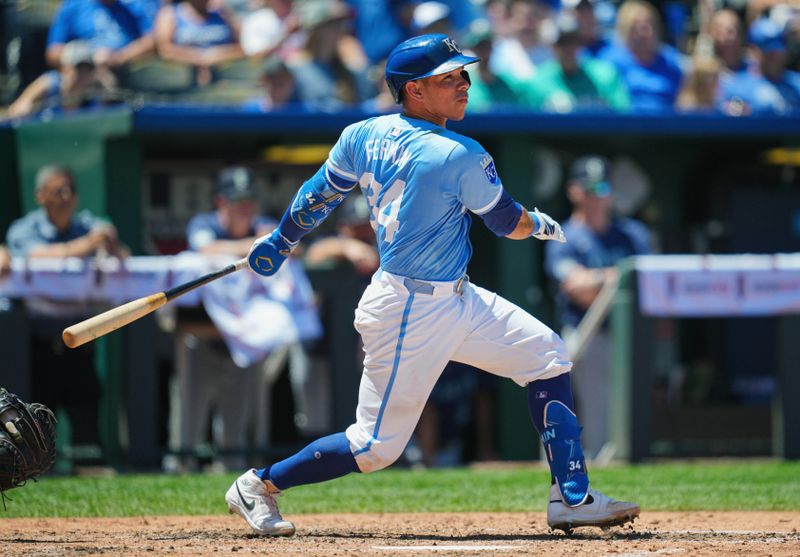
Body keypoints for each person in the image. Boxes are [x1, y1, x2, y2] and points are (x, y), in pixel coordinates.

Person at [225, 33, 640, 536]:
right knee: (374, 448)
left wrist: (281, 239)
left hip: (454, 296)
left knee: (547, 356)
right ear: (414, 90)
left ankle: (572, 497)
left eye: (463, 74)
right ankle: (259, 485)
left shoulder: (362, 133)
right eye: (449, 78)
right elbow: (507, 223)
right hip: (409, 309)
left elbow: (319, 194)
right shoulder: (458, 152)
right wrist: (542, 223)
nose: (464, 84)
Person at [5, 165, 129, 459]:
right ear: (40, 196)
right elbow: (34, 255)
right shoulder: (24, 229)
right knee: (35, 431)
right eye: (57, 191)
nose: (65, 197)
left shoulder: (88, 225)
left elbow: (124, 259)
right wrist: (85, 246)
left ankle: (90, 469)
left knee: (87, 429)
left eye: (70, 190)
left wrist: (110, 244)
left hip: (81, 343)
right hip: (39, 343)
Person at [168, 165, 276, 472]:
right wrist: (252, 247)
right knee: (187, 422)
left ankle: (232, 478)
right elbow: (204, 248)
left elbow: (292, 248)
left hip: (242, 342)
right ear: (220, 201)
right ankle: (180, 468)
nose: (245, 207)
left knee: (235, 433)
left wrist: (265, 242)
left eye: (249, 200)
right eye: (237, 200)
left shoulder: (262, 224)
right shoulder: (204, 223)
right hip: (198, 339)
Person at [544, 156, 651, 459]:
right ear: (573, 191)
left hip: (631, 336)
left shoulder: (632, 234)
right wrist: (618, 277)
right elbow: (578, 290)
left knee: (634, 410)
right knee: (597, 413)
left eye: (601, 187)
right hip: (589, 334)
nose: (595, 196)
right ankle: (596, 468)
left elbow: (649, 284)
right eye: (587, 188)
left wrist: (600, 281)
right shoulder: (564, 235)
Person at [522, 12, 630, 112]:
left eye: (572, 42)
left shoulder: (604, 75)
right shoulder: (539, 81)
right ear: (552, 46)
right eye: (562, 43)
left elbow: (623, 114)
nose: (568, 49)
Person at [598, 0, 684, 112]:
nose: (644, 33)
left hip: (667, 126)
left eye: (648, 25)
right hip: (624, 126)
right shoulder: (609, 63)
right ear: (625, 30)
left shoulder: (671, 61)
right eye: (636, 27)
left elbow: (684, 103)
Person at [6, 40, 117, 119]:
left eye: (87, 69)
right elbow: (19, 107)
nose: (83, 75)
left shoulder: (95, 96)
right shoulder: (50, 83)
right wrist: (24, 110)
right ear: (65, 69)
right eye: (78, 69)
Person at [45, 0, 156, 75]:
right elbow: (53, 52)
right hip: (82, 69)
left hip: (124, 70)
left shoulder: (132, 5)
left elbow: (152, 41)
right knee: (47, 84)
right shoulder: (74, 5)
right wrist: (88, 55)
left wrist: (120, 57)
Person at [718, 17, 800, 114]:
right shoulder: (736, 86)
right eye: (768, 53)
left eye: (777, 51)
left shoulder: (796, 84)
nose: (774, 57)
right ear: (754, 51)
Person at [153, 0, 245, 87]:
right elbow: (164, 49)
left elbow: (243, 46)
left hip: (223, 78)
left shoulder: (222, 14)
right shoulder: (171, 13)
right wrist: (200, 59)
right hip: (183, 77)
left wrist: (216, 56)